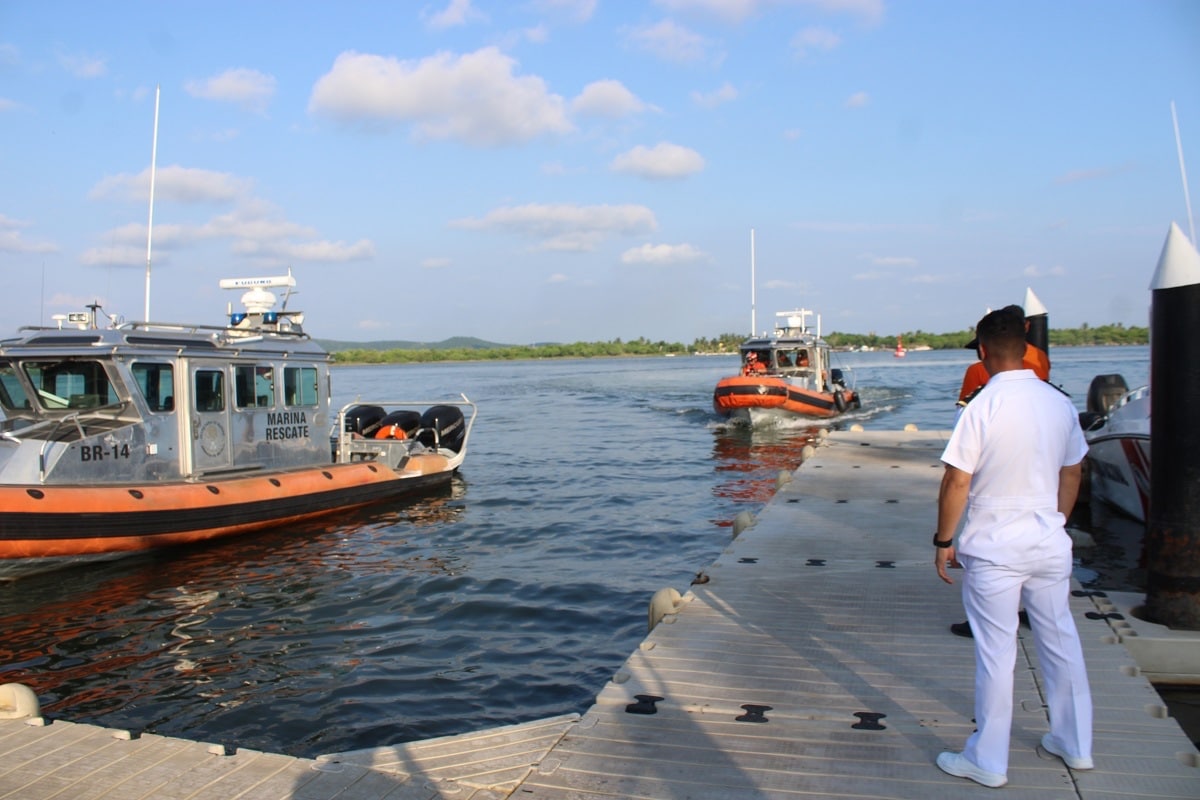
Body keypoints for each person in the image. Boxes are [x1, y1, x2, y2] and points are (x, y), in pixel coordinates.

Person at [933, 308, 1092, 788]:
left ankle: (989, 760)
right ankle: (1075, 743)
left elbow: (957, 479)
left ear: (982, 352)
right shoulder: (1058, 403)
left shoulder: (982, 405)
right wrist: (1057, 521)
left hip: (995, 545)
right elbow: (1073, 471)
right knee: (1060, 640)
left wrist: (943, 540)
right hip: (1048, 540)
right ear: (1026, 348)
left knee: (996, 651)